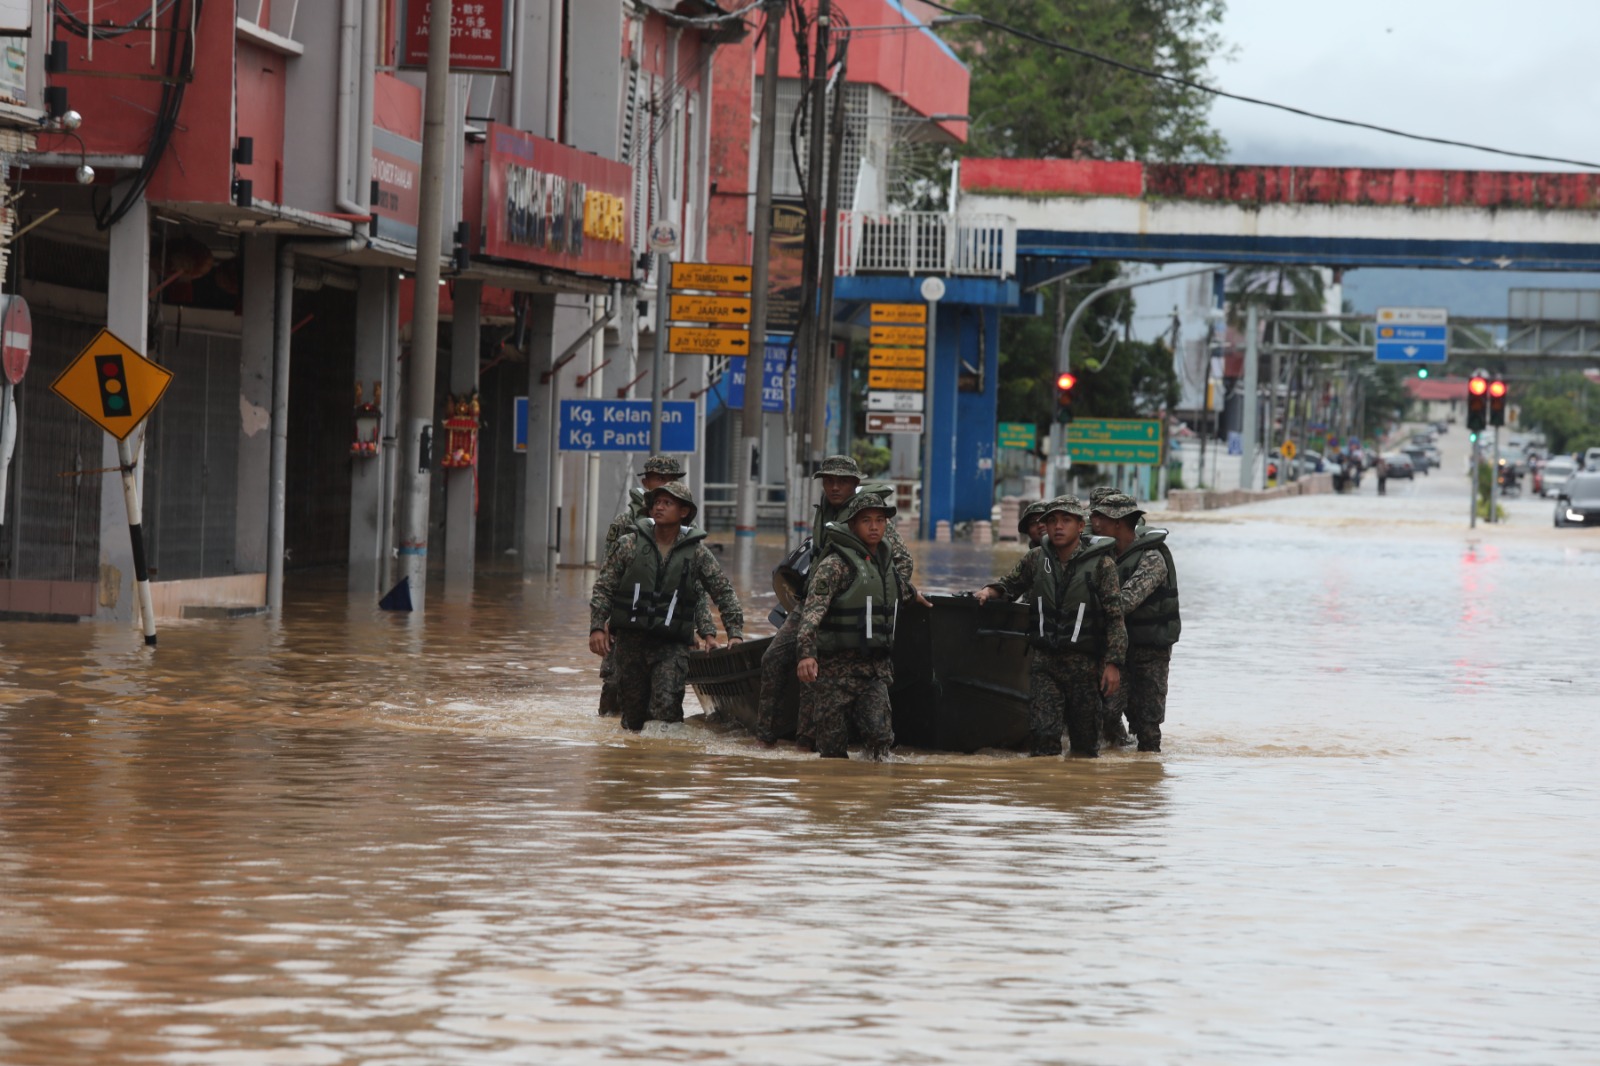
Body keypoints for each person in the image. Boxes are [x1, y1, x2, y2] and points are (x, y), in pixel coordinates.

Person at [755, 455, 920, 746]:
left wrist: (895, 591)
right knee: (774, 657)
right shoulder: (825, 512)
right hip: (817, 599)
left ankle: (807, 740)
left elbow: (902, 564)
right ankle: (766, 735)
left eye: (842, 481)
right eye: (829, 481)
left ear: (854, 483)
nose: (834, 487)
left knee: (818, 671)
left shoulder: (867, 514)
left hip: (850, 603)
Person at [974, 496, 1126, 757]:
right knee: (1043, 738)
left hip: (1085, 666)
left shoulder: (1103, 565)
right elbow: (1010, 584)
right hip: (1045, 663)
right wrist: (989, 591)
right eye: (1052, 521)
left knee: (1085, 748)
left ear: (1081, 525)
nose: (1058, 526)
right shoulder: (1036, 559)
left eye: (1066, 520)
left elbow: (1115, 617)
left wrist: (1113, 664)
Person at [589, 482, 744, 733]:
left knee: (666, 713)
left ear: (684, 512)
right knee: (632, 720)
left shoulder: (697, 553)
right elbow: (604, 588)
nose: (659, 507)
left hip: (671, 646)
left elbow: (723, 592)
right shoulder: (629, 544)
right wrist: (597, 627)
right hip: (630, 644)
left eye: (667, 503)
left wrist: (734, 633)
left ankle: (665, 757)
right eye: (656, 503)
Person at [794, 493, 921, 760]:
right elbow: (812, 612)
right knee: (832, 751)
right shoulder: (835, 565)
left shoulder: (887, 565)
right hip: (835, 672)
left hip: (873, 670)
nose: (874, 527)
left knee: (880, 741)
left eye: (880, 520)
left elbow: (897, 592)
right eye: (866, 521)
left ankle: (873, 783)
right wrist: (806, 654)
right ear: (853, 525)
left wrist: (915, 594)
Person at [597, 455, 716, 716]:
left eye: (671, 480)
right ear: (646, 483)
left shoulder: (686, 529)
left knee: (666, 694)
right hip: (628, 623)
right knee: (615, 687)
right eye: (659, 479)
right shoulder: (625, 524)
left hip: (667, 627)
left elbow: (695, 586)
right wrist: (602, 621)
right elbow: (608, 577)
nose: (666, 485)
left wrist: (702, 629)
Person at [1090, 492, 1179, 752]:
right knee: (1106, 711)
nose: (1094, 523)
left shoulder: (1152, 559)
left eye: (1100, 518)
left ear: (1118, 522)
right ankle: (1120, 753)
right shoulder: (1102, 554)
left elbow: (1125, 601)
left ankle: (1144, 771)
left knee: (1147, 725)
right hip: (1117, 648)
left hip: (1150, 651)